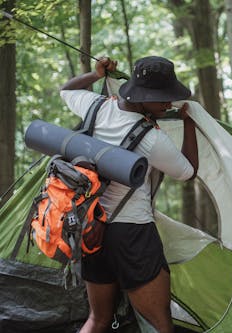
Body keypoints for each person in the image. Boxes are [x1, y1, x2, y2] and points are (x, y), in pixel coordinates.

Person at [60, 56, 199, 333]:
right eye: (162, 99)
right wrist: (189, 124)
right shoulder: (152, 139)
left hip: (92, 230)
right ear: (143, 97)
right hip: (133, 235)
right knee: (161, 325)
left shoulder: (96, 106)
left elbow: (67, 90)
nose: (168, 104)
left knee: (97, 319)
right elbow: (188, 172)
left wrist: (96, 74)